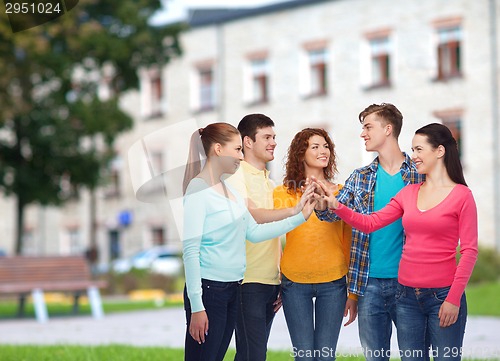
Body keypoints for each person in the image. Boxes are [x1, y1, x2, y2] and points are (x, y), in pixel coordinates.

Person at [315, 123, 478, 361]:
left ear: (439, 151)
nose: (414, 156)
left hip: (442, 297)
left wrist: (453, 299)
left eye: (420, 149)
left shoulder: (462, 196)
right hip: (407, 298)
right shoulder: (409, 193)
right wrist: (336, 205)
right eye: (413, 149)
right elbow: (370, 223)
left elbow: (470, 251)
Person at [182, 122, 316, 361]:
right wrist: (197, 306)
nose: (240, 157)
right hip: (209, 291)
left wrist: (300, 215)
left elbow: (253, 232)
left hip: (232, 288)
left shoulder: (228, 192)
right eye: (237, 150)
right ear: (218, 149)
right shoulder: (198, 189)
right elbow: (190, 251)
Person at [314, 103, 425, 361]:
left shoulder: (420, 175)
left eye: (368, 127)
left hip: (410, 283)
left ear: (388, 129)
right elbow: (331, 213)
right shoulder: (360, 177)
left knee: (414, 356)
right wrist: (322, 202)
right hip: (369, 284)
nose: (362, 134)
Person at [226, 114, 306, 361]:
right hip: (246, 281)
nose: (273, 142)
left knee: (255, 353)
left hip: (269, 281)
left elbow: (274, 235)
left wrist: (280, 275)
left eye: (274, 137)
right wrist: (295, 211)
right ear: (247, 142)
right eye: (267, 137)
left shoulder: (270, 184)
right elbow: (252, 215)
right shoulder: (235, 176)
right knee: (253, 354)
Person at [273, 128, 357, 361]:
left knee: (325, 356)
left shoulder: (341, 193)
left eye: (326, 146)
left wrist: (353, 293)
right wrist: (275, 276)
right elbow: (270, 236)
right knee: (304, 356)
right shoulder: (283, 193)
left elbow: (349, 241)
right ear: (301, 153)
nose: (323, 151)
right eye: (315, 146)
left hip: (333, 282)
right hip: (294, 282)